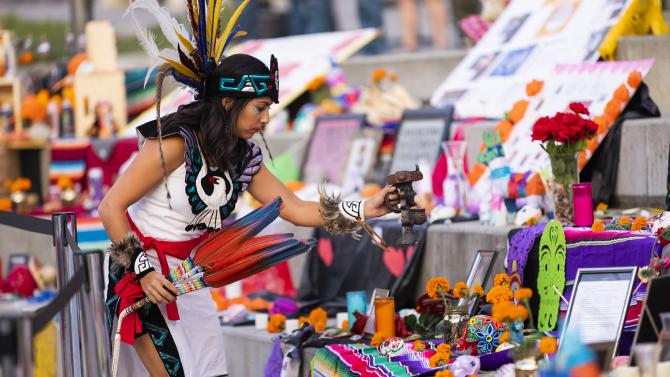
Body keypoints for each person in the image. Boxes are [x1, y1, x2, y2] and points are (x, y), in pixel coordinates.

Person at [101, 1, 399, 376]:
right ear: (228, 102)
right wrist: (143, 270)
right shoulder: (175, 143)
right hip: (142, 276)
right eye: (259, 108)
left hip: (190, 279)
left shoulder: (241, 156)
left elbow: (294, 207)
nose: (266, 118)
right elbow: (111, 207)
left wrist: (366, 208)